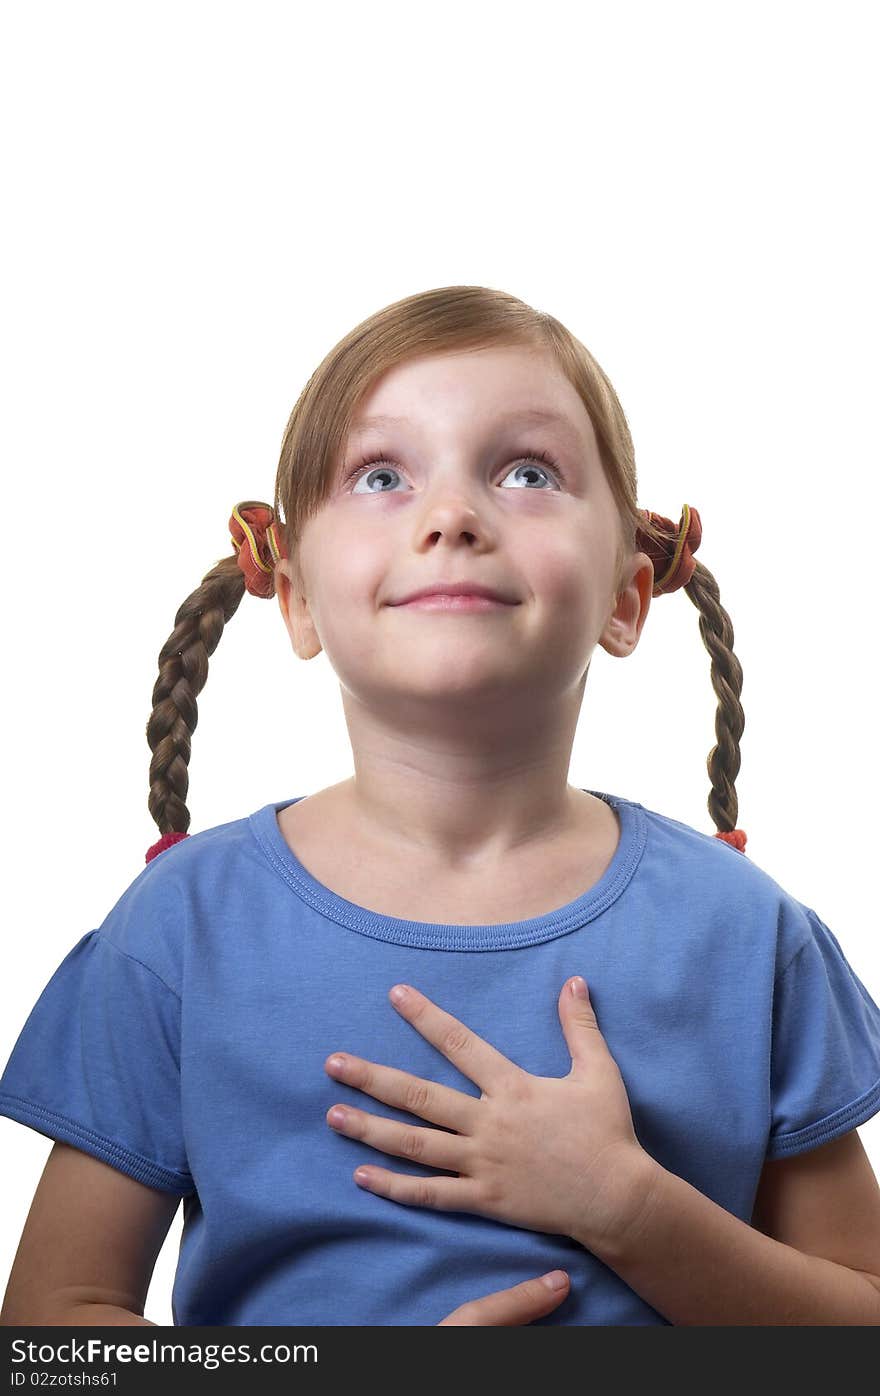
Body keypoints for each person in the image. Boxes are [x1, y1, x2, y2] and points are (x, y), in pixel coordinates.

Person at [2, 284, 880, 1328]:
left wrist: (629, 1207)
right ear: (293, 595)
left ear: (625, 594)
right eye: (380, 475)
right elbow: (54, 1333)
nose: (453, 515)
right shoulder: (180, 929)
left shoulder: (747, 934)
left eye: (527, 471)